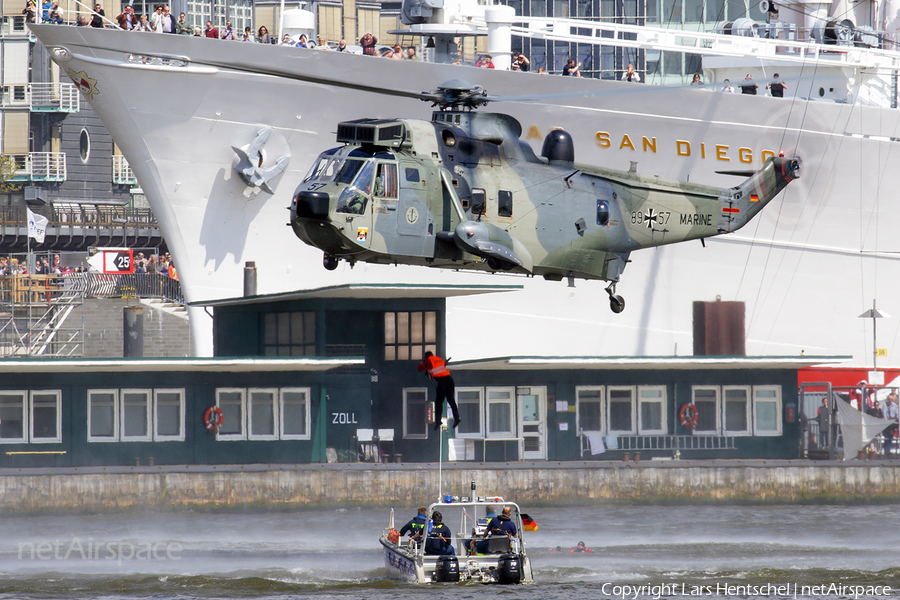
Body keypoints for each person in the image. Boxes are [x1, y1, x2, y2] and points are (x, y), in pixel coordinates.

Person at [417, 351, 461, 429]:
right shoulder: (439, 359)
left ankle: (438, 420)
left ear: (426, 357)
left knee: (439, 402)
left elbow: (420, 368)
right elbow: (441, 365)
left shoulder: (429, 360)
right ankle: (457, 417)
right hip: (450, 380)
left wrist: (422, 362)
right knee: (451, 400)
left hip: (442, 382)